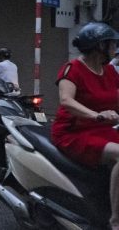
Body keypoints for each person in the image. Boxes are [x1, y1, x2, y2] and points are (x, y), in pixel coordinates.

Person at [51, 22, 119, 229]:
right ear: (100, 46)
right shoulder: (73, 68)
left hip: (102, 129)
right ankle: (115, 221)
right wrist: (97, 115)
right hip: (73, 131)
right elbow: (66, 101)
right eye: (111, 44)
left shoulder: (108, 71)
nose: (114, 48)